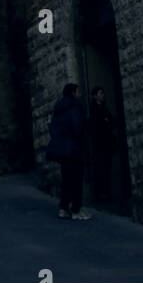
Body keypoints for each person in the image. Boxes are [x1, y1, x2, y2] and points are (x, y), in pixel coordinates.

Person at [46, 81, 90, 219]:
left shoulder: (58, 108)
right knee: (77, 179)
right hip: (74, 149)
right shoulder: (75, 107)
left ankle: (63, 208)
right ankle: (76, 210)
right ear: (73, 93)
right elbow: (78, 128)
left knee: (66, 179)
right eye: (77, 91)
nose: (79, 94)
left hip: (62, 150)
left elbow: (52, 128)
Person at [88, 85, 117, 203]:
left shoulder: (104, 108)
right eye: (100, 93)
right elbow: (97, 126)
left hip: (106, 142)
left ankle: (106, 193)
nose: (102, 95)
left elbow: (112, 122)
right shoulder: (94, 109)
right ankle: (101, 194)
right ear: (95, 96)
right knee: (101, 168)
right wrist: (106, 123)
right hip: (100, 144)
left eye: (103, 93)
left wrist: (107, 123)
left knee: (107, 168)